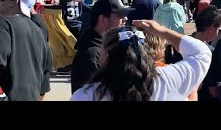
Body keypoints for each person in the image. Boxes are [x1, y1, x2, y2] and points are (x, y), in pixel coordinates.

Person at [70, 19, 212, 101]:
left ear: (106, 56)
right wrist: (162, 32)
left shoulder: (87, 96)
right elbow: (201, 52)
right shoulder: (170, 80)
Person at [70, 0, 134, 93]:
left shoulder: (106, 46)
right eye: (119, 15)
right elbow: (92, 95)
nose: (125, 18)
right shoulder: (92, 55)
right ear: (103, 19)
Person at [0, 0, 52, 101]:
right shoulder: (38, 29)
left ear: (15, 2)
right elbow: (46, 70)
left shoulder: (4, 25)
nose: (0, 1)